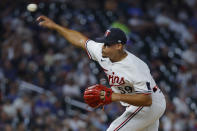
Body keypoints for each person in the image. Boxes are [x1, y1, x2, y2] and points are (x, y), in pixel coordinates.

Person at [36, 15, 166, 131]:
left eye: (107, 44)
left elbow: (146, 100)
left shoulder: (136, 67)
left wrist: (115, 96)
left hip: (151, 103)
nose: (103, 47)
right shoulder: (102, 52)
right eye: (103, 43)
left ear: (118, 46)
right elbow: (80, 40)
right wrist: (56, 26)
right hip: (139, 105)